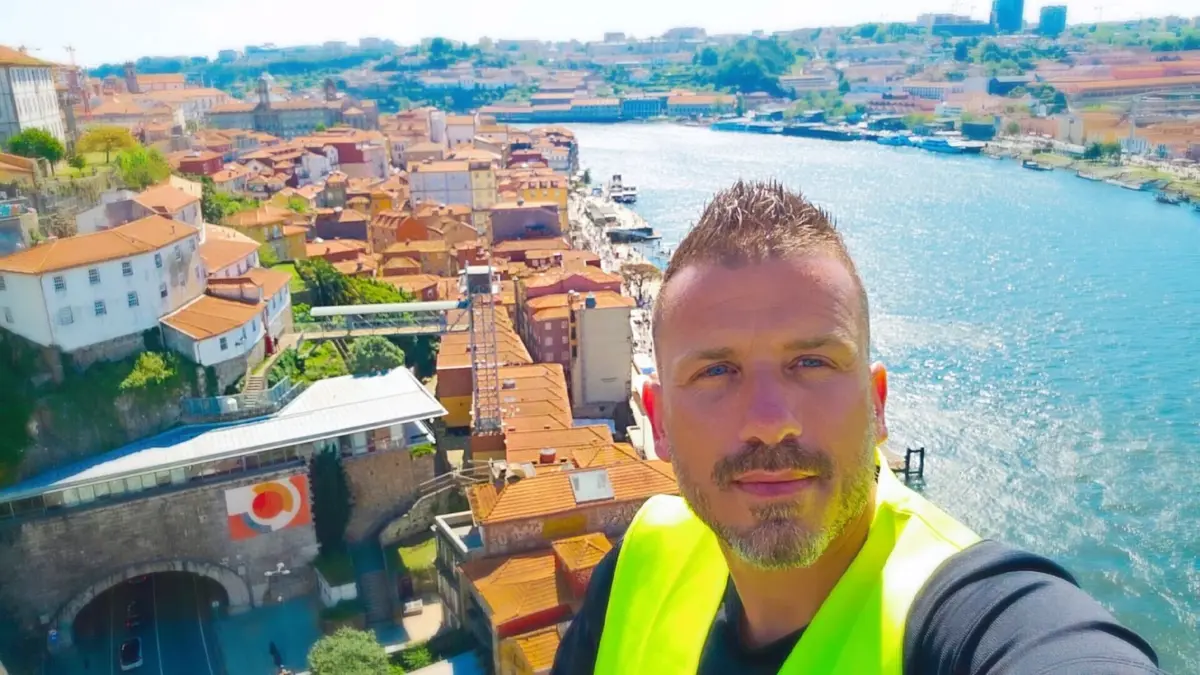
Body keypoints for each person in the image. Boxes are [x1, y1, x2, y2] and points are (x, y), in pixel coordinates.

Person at [552, 180, 1163, 674]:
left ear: (877, 406)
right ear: (658, 421)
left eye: (812, 362)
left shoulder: (970, 617)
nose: (770, 422)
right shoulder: (640, 558)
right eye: (716, 371)